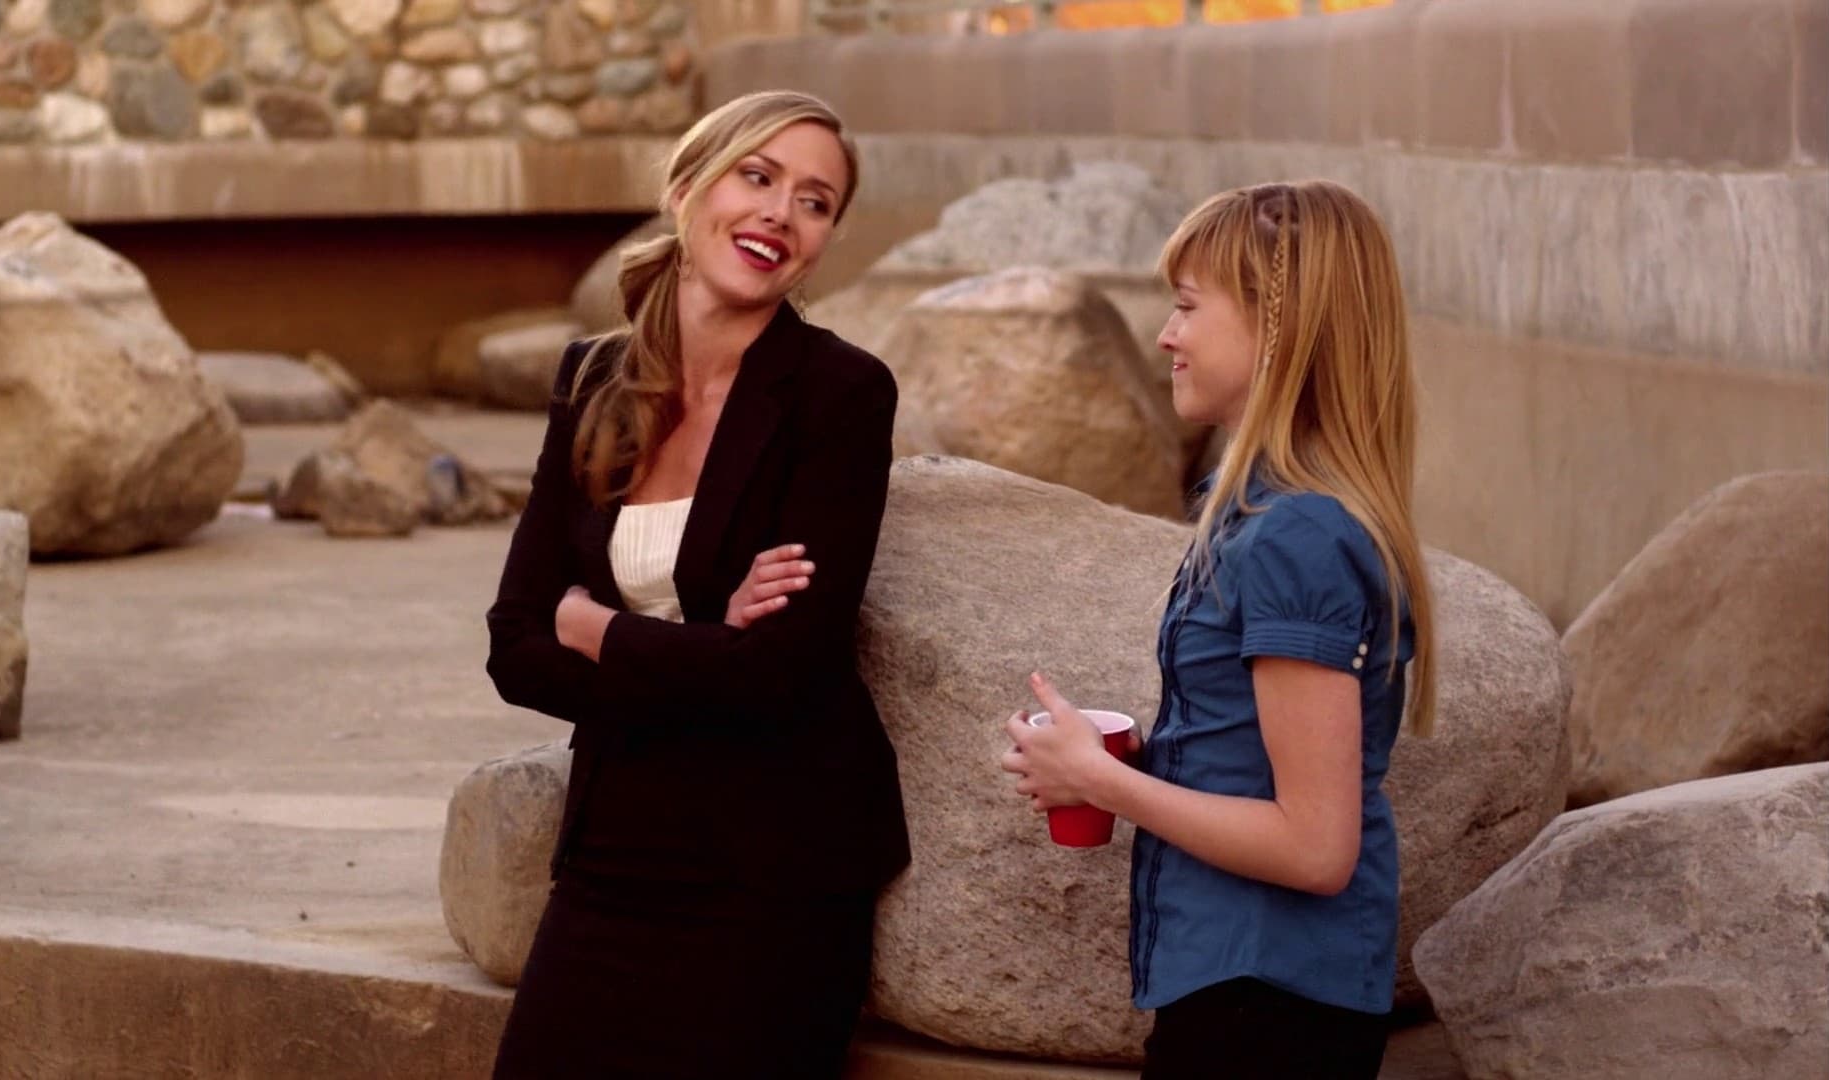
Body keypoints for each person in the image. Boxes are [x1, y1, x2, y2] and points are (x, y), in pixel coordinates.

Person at [484, 90, 910, 1080]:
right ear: (686, 190)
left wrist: (597, 630)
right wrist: (711, 642)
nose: (780, 213)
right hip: (614, 849)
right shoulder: (590, 378)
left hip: (776, 867)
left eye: (815, 202)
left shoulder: (841, 393)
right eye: (757, 177)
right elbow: (513, 645)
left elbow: (782, 675)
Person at [1000, 179, 1438, 1080]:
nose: (1167, 335)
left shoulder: (1296, 536)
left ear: (1279, 330)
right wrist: (1143, 758)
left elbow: (1315, 848)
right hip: (1248, 991)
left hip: (1268, 1006)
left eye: (1188, 306)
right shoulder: (1263, 514)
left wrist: (1102, 782)